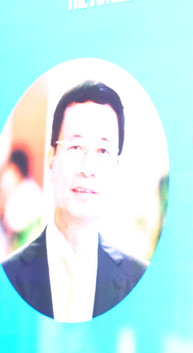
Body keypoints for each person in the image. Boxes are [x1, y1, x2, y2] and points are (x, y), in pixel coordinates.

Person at [2, 80, 148, 323]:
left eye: (103, 151)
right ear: (52, 157)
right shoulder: (8, 275)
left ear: (116, 167)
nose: (87, 168)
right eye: (75, 146)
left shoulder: (139, 281)